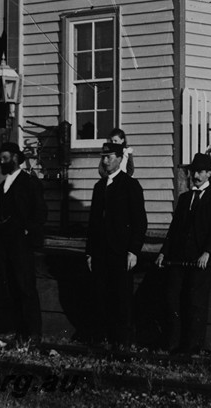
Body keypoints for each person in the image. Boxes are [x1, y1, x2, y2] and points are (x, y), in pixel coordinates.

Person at [156, 152, 211, 354]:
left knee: (196, 303)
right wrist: (163, 252)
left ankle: (193, 347)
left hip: (201, 259)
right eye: (194, 171)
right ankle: (174, 344)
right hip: (179, 259)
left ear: (208, 174)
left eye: (201, 172)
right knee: (173, 300)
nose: (196, 176)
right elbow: (174, 229)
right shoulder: (185, 198)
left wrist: (207, 252)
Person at [86, 142, 147, 346]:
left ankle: (124, 341)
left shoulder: (130, 186)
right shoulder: (99, 187)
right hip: (101, 253)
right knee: (100, 296)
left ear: (120, 158)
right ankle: (101, 338)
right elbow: (93, 223)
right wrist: (90, 252)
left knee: (122, 299)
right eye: (103, 157)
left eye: (109, 157)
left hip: (121, 253)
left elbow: (140, 221)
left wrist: (133, 250)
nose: (105, 161)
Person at [0, 142, 47, 343]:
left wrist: (28, 232)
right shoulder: (2, 186)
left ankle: (33, 333)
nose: (1, 161)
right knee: (10, 287)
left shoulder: (29, 183)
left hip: (21, 244)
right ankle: (16, 330)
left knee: (25, 287)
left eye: (5, 158)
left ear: (16, 158)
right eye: (0, 158)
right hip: (4, 244)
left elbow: (40, 213)